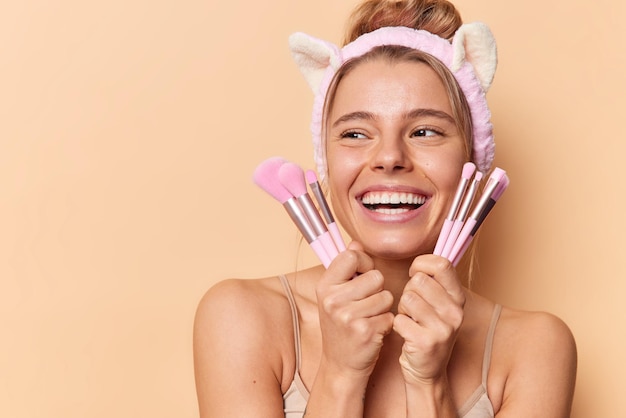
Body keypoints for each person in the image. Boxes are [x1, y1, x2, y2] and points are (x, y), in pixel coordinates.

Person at [193, 0, 577, 416]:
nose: (389, 156)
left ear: (472, 161)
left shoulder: (536, 348)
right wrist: (340, 374)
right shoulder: (240, 318)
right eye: (356, 133)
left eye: (425, 130)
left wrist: (429, 384)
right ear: (326, 161)